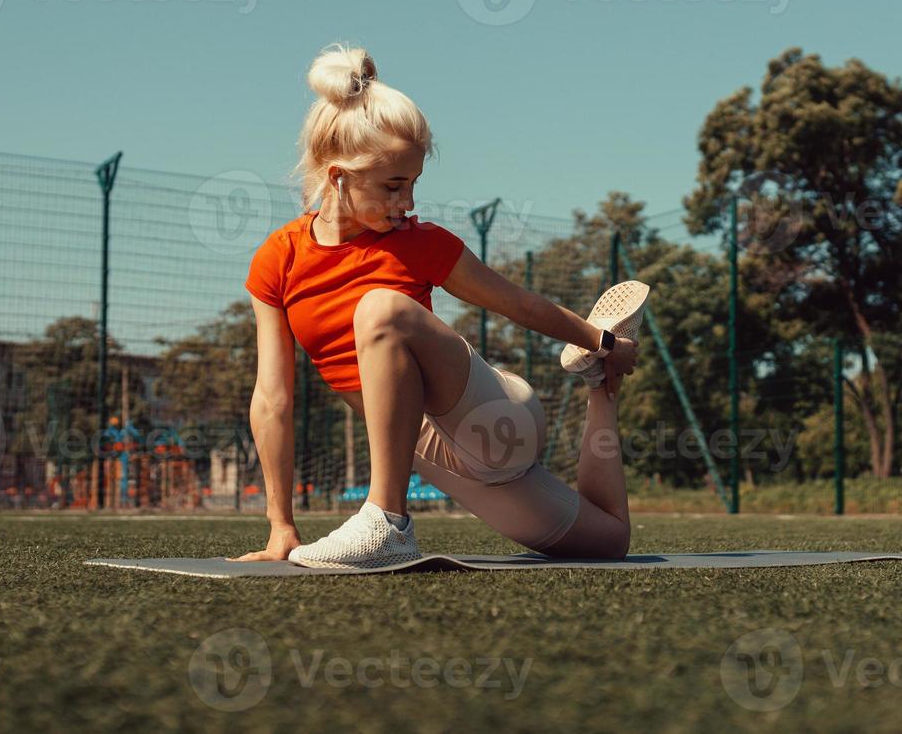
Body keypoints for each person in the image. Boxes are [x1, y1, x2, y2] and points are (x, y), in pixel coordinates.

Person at [233, 43, 648, 569]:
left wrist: (602, 338)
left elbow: (515, 302)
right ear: (338, 177)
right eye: (393, 185)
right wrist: (281, 527)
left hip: (492, 416)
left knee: (380, 309)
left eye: (413, 184)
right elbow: (272, 398)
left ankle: (387, 522)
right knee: (607, 543)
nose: (408, 202)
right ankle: (598, 385)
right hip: (440, 455)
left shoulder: (420, 241)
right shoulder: (279, 258)